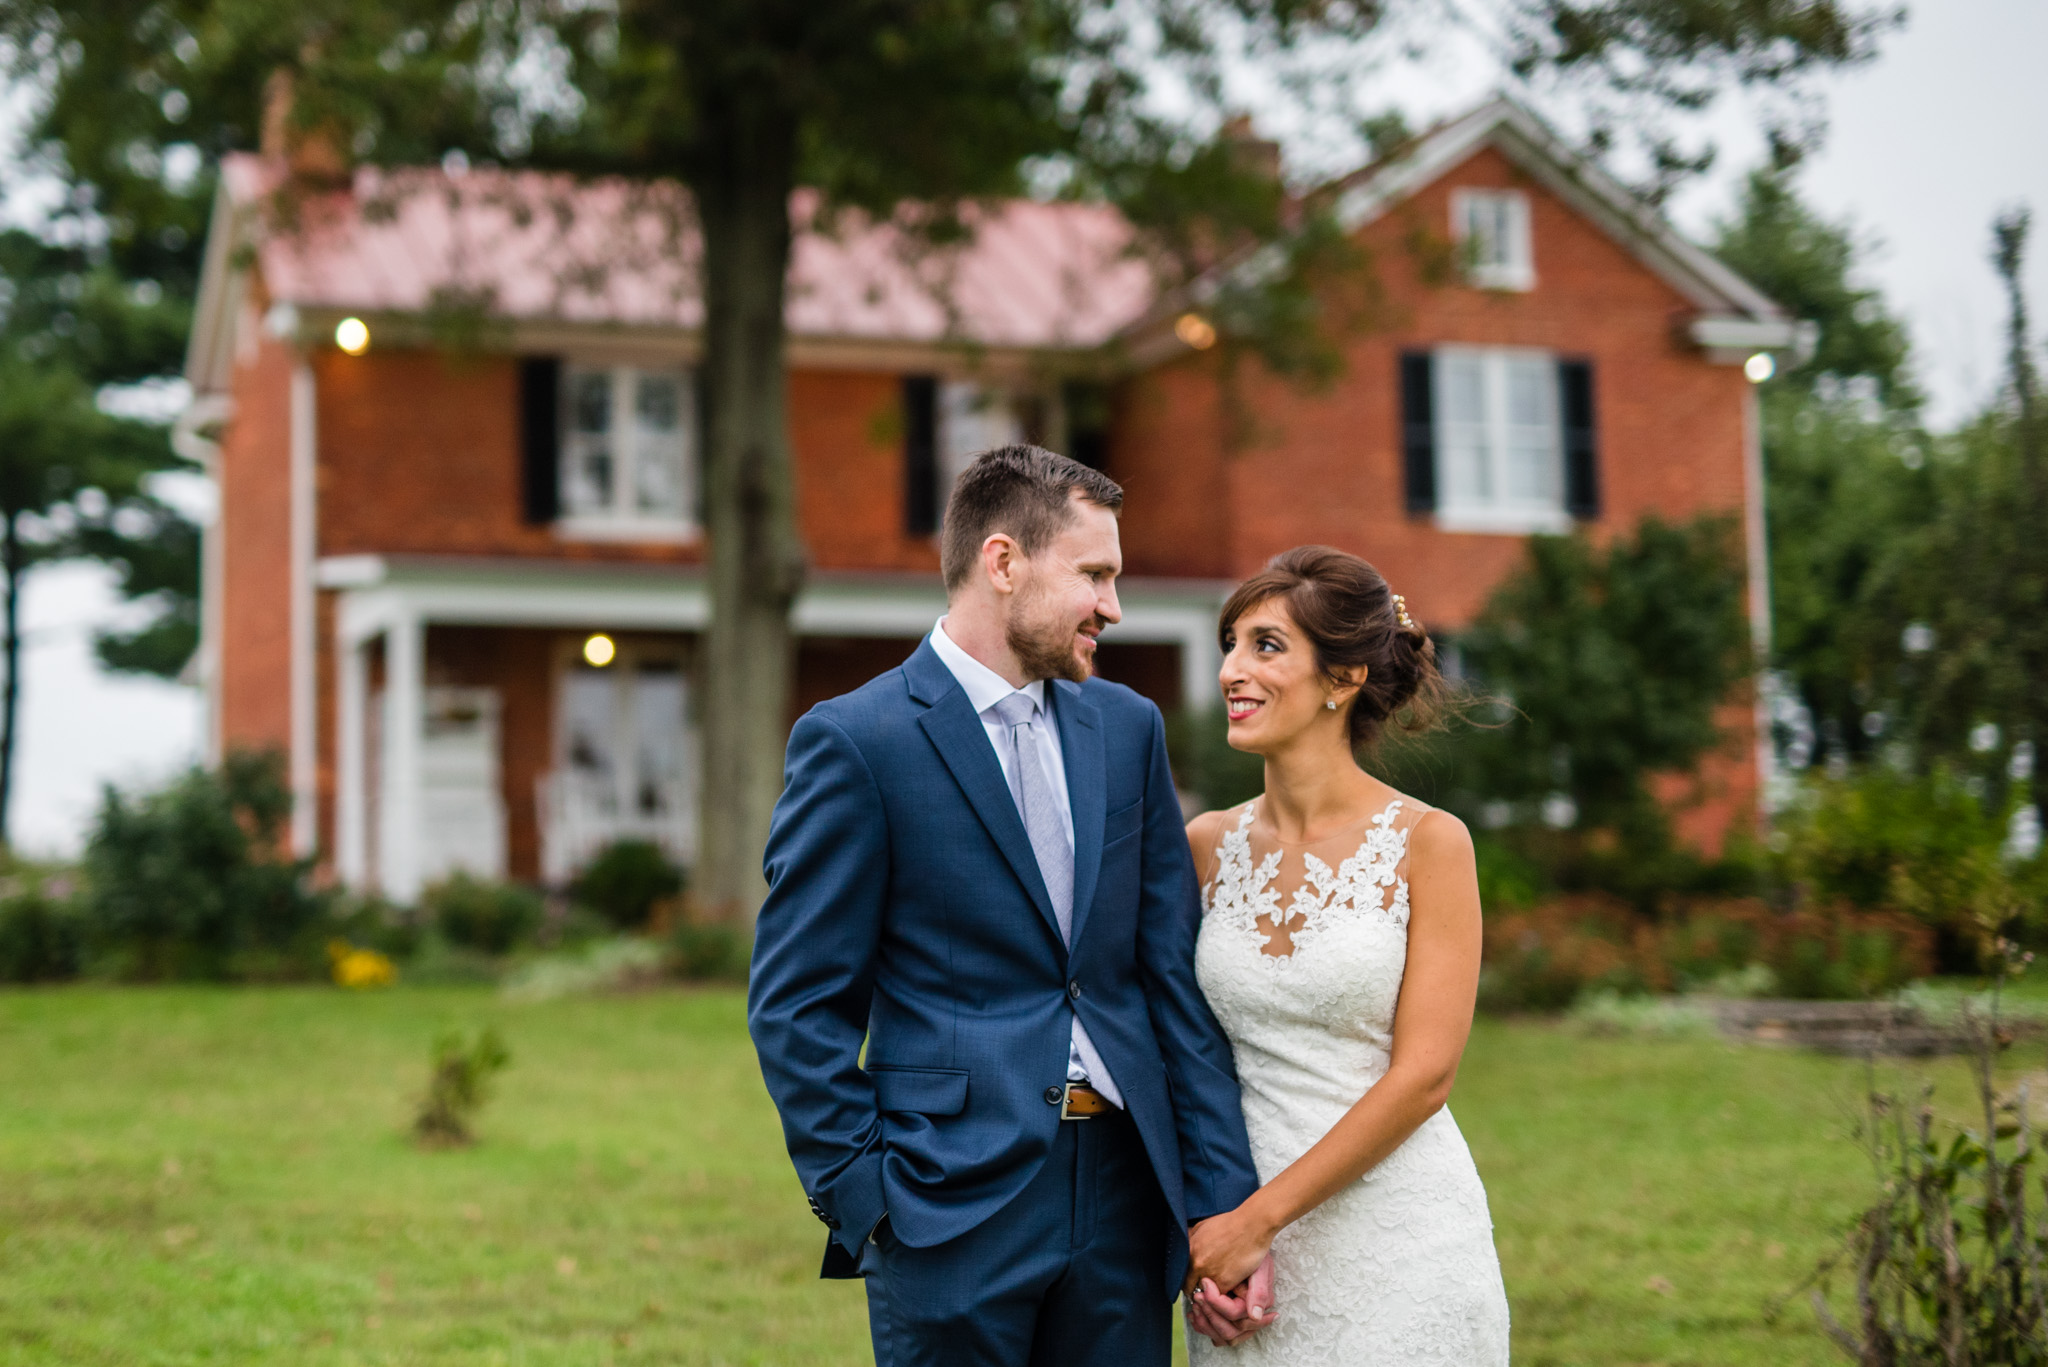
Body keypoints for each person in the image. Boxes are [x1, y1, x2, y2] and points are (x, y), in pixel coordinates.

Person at [748, 445, 1269, 1367]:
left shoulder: (1127, 727)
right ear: (1003, 563)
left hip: (1123, 1193)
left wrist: (1222, 1204)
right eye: (1095, 575)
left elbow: (1170, 986)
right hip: (945, 1204)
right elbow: (797, 1004)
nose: (1113, 606)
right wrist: (868, 1198)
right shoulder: (857, 741)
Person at [1180, 545, 1512, 1364]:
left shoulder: (1430, 843)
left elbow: (1425, 1076)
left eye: (1265, 645)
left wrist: (1255, 1222)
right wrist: (1211, 1231)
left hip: (1396, 1240)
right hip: (1236, 1255)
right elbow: (1180, 1052)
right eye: (1231, 643)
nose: (1231, 669)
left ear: (1344, 677)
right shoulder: (1205, 846)